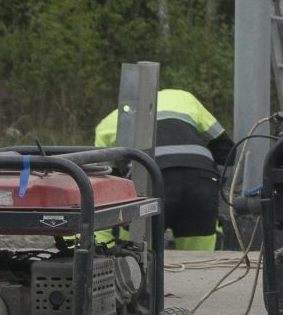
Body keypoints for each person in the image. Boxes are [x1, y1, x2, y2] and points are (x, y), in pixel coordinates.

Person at [93, 88, 234, 252]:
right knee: (200, 260)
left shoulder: (107, 124)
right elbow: (226, 149)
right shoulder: (182, 98)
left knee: (137, 258)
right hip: (200, 182)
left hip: (149, 184)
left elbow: (107, 189)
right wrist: (218, 186)